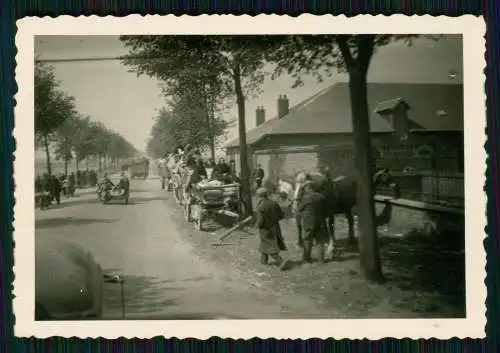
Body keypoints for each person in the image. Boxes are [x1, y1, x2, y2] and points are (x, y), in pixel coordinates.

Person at [255, 187, 289, 270]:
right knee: (265, 243)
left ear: (259, 196)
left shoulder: (261, 206)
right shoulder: (274, 203)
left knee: (269, 245)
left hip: (265, 229)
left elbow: (260, 220)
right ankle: (263, 262)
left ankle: (280, 261)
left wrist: (256, 226)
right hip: (275, 227)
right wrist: (274, 219)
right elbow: (281, 215)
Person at [296, 181, 329, 263]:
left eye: (304, 188)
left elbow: (298, 209)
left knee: (307, 240)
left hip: (308, 222)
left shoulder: (305, 198)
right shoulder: (321, 197)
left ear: (308, 188)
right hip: (320, 221)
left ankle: (306, 259)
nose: (304, 190)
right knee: (320, 241)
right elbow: (326, 210)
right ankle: (321, 260)